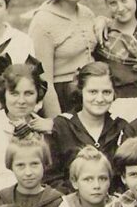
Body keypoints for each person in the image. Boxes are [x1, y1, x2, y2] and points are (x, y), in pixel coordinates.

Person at [45, 62, 128, 192]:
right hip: (71, 205)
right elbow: (50, 178)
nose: (100, 99)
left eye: (106, 92)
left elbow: (127, 175)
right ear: (80, 91)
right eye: (93, 92)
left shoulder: (121, 127)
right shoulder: (61, 127)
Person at [30, 0, 99, 112]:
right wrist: (57, 124)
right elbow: (44, 81)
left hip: (91, 96)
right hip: (62, 99)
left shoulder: (87, 14)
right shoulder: (43, 21)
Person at [0, 61, 53, 183]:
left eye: (28, 93)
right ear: (4, 94)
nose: (21, 101)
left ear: (38, 95)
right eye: (14, 94)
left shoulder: (47, 128)